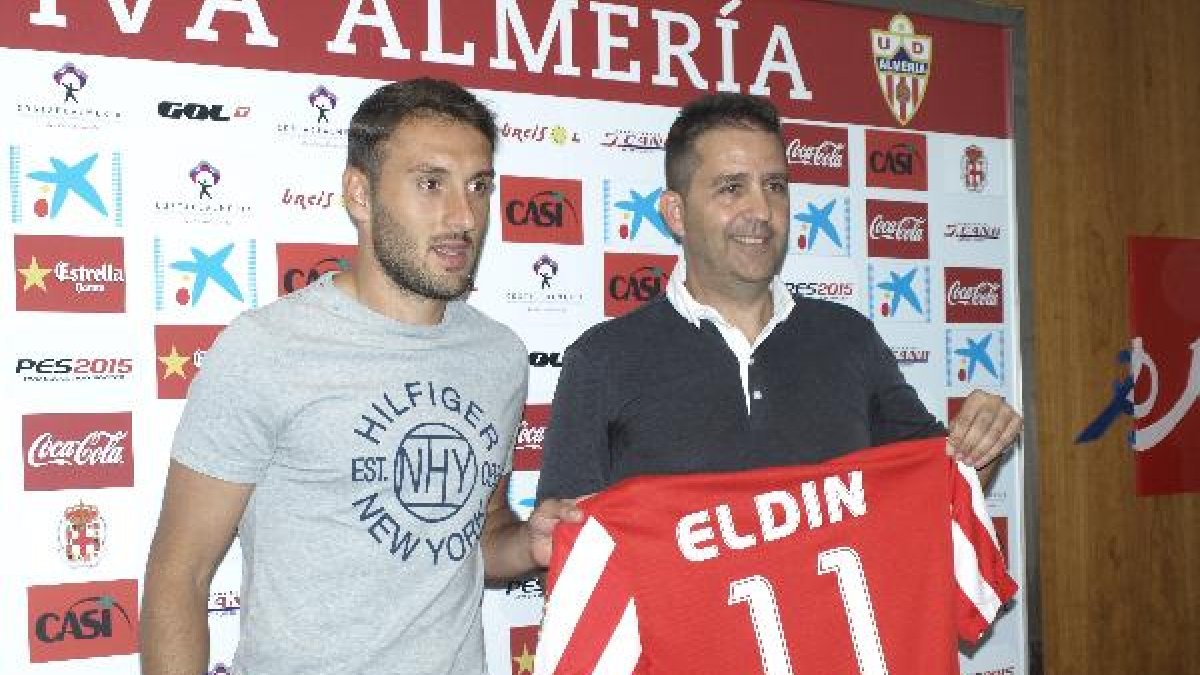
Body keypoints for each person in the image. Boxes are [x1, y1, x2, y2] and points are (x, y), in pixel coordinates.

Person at [141, 78, 579, 675]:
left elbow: (479, 531)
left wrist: (528, 543)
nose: (463, 216)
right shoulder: (267, 348)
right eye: (431, 183)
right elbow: (179, 575)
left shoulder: (498, 355)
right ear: (359, 194)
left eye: (478, 186)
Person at [536, 92, 1022, 503]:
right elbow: (572, 556)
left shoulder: (848, 339)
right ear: (676, 213)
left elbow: (943, 497)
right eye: (731, 188)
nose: (762, 211)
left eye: (775, 186)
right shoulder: (603, 359)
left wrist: (983, 441)